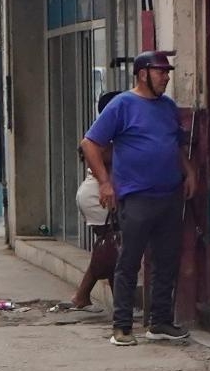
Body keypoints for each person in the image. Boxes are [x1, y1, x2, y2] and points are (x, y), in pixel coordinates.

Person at [81, 51, 197, 346]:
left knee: (167, 260)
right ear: (143, 73)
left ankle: (159, 322)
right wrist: (105, 183)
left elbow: (175, 145)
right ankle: (121, 327)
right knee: (129, 261)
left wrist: (189, 172)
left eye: (167, 72)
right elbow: (90, 143)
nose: (166, 77)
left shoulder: (168, 107)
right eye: (161, 72)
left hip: (169, 195)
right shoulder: (122, 105)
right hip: (136, 197)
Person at [67, 91, 122, 313]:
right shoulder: (107, 137)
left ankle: (100, 300)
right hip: (98, 196)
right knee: (110, 249)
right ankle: (84, 296)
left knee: (109, 250)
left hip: (96, 195)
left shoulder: (110, 134)